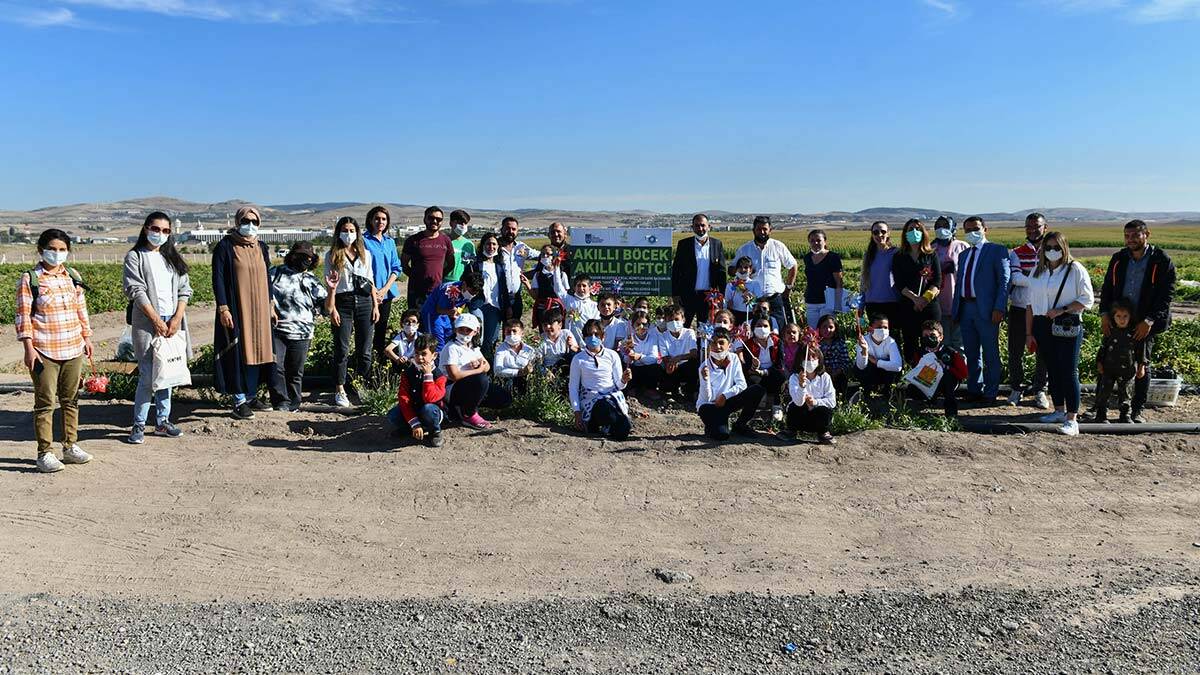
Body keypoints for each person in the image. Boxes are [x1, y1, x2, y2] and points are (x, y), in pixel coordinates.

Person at [15, 228, 94, 473]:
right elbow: (23, 316)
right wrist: (29, 348)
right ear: (41, 250)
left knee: (71, 400)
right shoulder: (30, 279)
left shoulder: (72, 276)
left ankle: (70, 446)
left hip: (73, 347)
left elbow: (81, 309)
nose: (57, 254)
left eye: (62, 250)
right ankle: (44, 453)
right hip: (44, 350)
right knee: (45, 402)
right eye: (52, 249)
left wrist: (87, 337)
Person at [122, 212, 193, 442]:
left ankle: (163, 421)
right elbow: (136, 290)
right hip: (147, 321)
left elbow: (185, 290)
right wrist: (155, 319)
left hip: (171, 319)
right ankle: (139, 424)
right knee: (147, 374)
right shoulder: (135, 257)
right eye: (155, 229)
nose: (159, 234)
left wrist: (175, 318)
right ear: (145, 229)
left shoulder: (172, 258)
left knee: (168, 373)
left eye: (165, 231)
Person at [1097, 219, 1176, 423]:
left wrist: (1149, 320)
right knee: (1107, 361)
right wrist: (1105, 313)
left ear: (1146, 234)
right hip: (1119, 318)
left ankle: (1136, 410)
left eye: (1135, 235)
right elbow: (1107, 288)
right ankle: (1100, 408)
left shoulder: (1161, 260)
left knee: (1141, 365)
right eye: (1127, 236)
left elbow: (1166, 295)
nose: (1130, 239)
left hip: (1144, 321)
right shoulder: (1119, 259)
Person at [1023, 231, 1094, 436]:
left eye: (1056, 247)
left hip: (1066, 324)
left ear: (1064, 248)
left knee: (1068, 370)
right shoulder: (1037, 272)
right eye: (1048, 247)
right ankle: (1059, 410)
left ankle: (1072, 419)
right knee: (1052, 368)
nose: (1052, 251)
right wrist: (1029, 333)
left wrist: (1062, 310)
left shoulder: (1075, 269)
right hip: (1041, 324)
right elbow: (1029, 304)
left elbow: (1087, 299)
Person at [212, 205, 274, 419]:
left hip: (260, 310)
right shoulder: (226, 247)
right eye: (246, 221)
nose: (250, 225)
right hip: (238, 308)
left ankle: (251, 395)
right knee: (239, 352)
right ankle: (238, 400)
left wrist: (271, 305)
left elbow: (267, 278)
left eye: (254, 221)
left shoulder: (262, 247)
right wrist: (223, 307)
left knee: (258, 351)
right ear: (237, 223)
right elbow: (218, 279)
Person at [267, 241, 334, 412]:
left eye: (308, 257)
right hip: (277, 329)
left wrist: (331, 290)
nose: (304, 260)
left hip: (303, 332)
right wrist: (270, 306)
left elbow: (327, 309)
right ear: (292, 256)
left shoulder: (312, 281)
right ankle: (280, 402)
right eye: (300, 256)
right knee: (276, 367)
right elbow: (264, 292)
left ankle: (294, 403)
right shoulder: (275, 273)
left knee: (295, 371)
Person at [951, 216, 1010, 404]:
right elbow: (960, 283)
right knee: (972, 352)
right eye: (967, 230)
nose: (972, 233)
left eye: (976, 228)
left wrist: (999, 307)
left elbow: (1005, 281)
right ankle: (974, 388)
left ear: (985, 229)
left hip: (987, 309)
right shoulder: (964, 255)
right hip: (966, 307)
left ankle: (991, 392)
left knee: (991, 353)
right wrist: (956, 310)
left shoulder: (996, 250)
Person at [326, 216, 379, 408]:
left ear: (357, 232)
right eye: (344, 230)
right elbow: (330, 285)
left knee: (365, 349)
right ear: (338, 232)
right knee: (342, 349)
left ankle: (360, 385)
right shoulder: (332, 255)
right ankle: (340, 389)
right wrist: (332, 309)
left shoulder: (365, 253)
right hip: (343, 302)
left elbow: (371, 280)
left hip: (365, 301)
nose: (348, 234)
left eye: (351, 230)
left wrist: (375, 305)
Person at [1005, 212, 1050, 409]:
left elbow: (1056, 277)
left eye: (1037, 227)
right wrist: (1041, 279)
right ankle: (1016, 388)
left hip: (1043, 309)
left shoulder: (1053, 250)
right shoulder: (1016, 252)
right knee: (1015, 350)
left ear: (1045, 228)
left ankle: (1040, 389)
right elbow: (1015, 279)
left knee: (1043, 351)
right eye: (1029, 227)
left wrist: (1027, 276)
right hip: (1019, 308)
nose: (1032, 230)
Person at [441, 313, 512, 429]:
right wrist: (478, 370)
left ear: (475, 331)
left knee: (504, 398)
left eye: (468, 330)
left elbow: (487, 366)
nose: (464, 333)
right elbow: (454, 375)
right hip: (452, 388)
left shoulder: (473, 347)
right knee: (481, 379)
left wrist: (479, 365)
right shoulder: (451, 348)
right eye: (461, 329)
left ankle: (465, 406)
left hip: (470, 386)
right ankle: (468, 413)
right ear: (455, 329)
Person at [569, 319, 634, 440]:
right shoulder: (578, 359)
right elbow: (573, 387)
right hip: (591, 400)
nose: (592, 337)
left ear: (603, 336)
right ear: (584, 337)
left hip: (612, 396)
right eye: (589, 335)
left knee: (623, 428)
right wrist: (577, 413)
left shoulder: (612, 355)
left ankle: (608, 426)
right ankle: (599, 424)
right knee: (605, 409)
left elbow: (619, 385)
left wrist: (624, 380)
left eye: (596, 334)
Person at [696, 327, 764, 440]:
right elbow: (707, 397)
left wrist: (725, 396)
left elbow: (742, 384)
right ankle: (713, 425)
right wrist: (706, 379)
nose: (717, 347)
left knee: (757, 390)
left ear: (729, 346)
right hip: (709, 405)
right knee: (722, 435)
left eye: (721, 343)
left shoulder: (734, 358)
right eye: (713, 343)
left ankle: (741, 424)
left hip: (726, 401)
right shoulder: (704, 367)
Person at [891, 219, 942, 364]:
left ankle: (933, 373)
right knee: (910, 343)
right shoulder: (899, 256)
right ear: (905, 234)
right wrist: (915, 299)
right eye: (910, 229)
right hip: (908, 306)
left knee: (931, 341)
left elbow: (937, 281)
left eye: (917, 229)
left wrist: (924, 299)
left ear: (923, 232)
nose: (914, 232)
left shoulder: (931, 254)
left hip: (929, 306)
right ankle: (913, 374)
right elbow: (899, 283)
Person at [735, 216, 797, 332]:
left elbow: (793, 265)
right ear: (753, 230)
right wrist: (742, 288)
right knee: (754, 332)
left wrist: (788, 288)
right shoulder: (744, 249)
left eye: (765, 229)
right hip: (753, 301)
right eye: (759, 229)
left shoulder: (778, 246)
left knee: (778, 331)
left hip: (775, 299)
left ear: (770, 230)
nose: (762, 232)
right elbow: (733, 269)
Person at [1093, 298, 1148, 423]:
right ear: (1113, 317)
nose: (1122, 319)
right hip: (1109, 368)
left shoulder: (1135, 333)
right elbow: (1103, 348)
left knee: (1126, 393)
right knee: (1104, 392)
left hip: (1127, 370)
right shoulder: (1110, 331)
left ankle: (1125, 415)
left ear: (1130, 316)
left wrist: (1141, 366)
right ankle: (1101, 415)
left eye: (1125, 316)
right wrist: (1099, 363)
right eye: (1118, 316)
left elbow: (1141, 351)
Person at [387, 334, 447, 448]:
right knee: (393, 415)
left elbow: (429, 398)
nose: (419, 358)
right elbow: (403, 398)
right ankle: (411, 428)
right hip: (414, 409)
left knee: (428, 409)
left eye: (424, 354)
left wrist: (428, 375)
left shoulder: (439, 376)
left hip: (432, 412)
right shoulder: (408, 373)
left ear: (434, 355)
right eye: (416, 353)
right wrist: (414, 422)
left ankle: (435, 431)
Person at [362, 206, 403, 366]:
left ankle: (378, 367)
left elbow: (396, 267)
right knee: (366, 332)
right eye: (377, 218)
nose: (380, 222)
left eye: (384, 219)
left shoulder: (389, 242)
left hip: (385, 294)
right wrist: (374, 291)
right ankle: (364, 366)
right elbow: (362, 269)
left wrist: (384, 289)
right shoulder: (363, 240)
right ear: (370, 221)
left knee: (380, 331)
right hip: (367, 293)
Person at [671, 213, 727, 327]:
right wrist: (675, 295)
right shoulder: (684, 244)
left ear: (708, 226)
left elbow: (721, 272)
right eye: (697, 226)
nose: (700, 228)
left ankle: (701, 345)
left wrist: (722, 295)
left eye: (703, 225)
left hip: (708, 297)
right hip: (688, 295)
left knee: (704, 329)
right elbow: (676, 271)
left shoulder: (717, 244)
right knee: (683, 327)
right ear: (692, 227)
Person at [904, 320, 968, 417]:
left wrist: (946, 367)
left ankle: (951, 413)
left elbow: (964, 374)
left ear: (941, 337)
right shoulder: (920, 353)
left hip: (948, 382)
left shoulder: (950, 353)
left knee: (947, 378)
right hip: (928, 380)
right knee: (912, 389)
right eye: (925, 336)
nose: (929, 338)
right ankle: (925, 404)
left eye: (932, 336)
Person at [401, 205, 454, 311]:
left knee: (434, 323)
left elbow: (451, 263)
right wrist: (416, 276)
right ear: (425, 219)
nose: (434, 221)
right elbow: (404, 264)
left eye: (438, 219)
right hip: (416, 292)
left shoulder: (446, 240)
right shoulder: (413, 240)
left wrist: (439, 276)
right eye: (431, 218)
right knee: (417, 322)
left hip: (437, 290)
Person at [783, 342, 836, 445]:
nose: (810, 360)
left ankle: (823, 433)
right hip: (800, 416)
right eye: (806, 358)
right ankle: (791, 431)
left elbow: (832, 401)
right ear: (800, 360)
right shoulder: (794, 377)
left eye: (813, 357)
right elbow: (798, 402)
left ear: (819, 359)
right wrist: (802, 386)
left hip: (817, 417)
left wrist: (815, 402)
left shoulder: (825, 377)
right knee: (794, 407)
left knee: (824, 411)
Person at [470, 232, 512, 361]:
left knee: (491, 340)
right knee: (478, 338)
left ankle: (489, 369)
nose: (491, 247)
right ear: (483, 245)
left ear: (498, 247)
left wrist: (508, 306)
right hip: (479, 305)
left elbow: (504, 288)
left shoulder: (499, 267)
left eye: (494, 244)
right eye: (488, 243)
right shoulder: (475, 265)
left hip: (494, 307)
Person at [419, 269, 484, 352]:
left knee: (449, 338)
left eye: (475, 293)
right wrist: (451, 312)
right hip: (433, 314)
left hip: (445, 315)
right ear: (464, 284)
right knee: (437, 342)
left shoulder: (467, 293)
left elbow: (462, 304)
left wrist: (457, 313)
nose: (472, 295)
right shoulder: (450, 290)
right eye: (471, 292)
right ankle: (437, 362)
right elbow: (438, 309)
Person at [931, 216, 968, 349]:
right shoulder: (930, 248)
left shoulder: (963, 246)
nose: (942, 229)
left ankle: (962, 369)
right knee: (942, 344)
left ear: (952, 228)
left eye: (945, 226)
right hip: (938, 304)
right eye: (938, 226)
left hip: (959, 302)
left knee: (960, 344)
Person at [853, 313, 903, 410]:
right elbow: (861, 367)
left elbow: (897, 366)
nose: (883, 330)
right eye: (880, 327)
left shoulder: (891, 342)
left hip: (884, 373)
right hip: (869, 373)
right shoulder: (864, 341)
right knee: (864, 368)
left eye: (885, 327)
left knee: (892, 370)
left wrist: (876, 361)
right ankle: (866, 393)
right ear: (871, 329)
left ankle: (888, 394)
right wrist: (864, 351)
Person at [860, 221, 899, 335]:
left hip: (892, 302)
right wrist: (861, 304)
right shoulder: (868, 255)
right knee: (876, 338)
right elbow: (863, 281)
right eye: (876, 232)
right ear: (872, 235)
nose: (879, 235)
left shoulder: (896, 253)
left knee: (892, 338)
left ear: (888, 233)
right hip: (872, 303)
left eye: (883, 231)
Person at [800, 229, 844, 328]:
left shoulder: (833, 257)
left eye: (818, 240)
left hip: (828, 301)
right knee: (813, 332)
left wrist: (838, 302)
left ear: (825, 241)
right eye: (812, 240)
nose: (815, 243)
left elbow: (839, 281)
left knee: (827, 331)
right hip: (811, 300)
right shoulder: (807, 258)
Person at [657, 304, 699, 400]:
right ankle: (674, 390)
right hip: (672, 367)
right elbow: (665, 357)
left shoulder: (689, 333)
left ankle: (689, 391)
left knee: (694, 364)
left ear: (683, 320)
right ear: (666, 321)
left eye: (676, 319)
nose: (674, 322)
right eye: (670, 320)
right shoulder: (663, 336)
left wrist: (678, 358)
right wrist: (670, 364)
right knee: (666, 383)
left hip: (686, 366)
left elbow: (694, 353)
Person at [742, 313, 786, 406]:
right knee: (752, 379)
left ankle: (777, 405)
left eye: (765, 326)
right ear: (753, 328)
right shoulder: (747, 344)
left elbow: (779, 364)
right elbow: (747, 367)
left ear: (770, 329)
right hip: (755, 375)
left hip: (772, 373)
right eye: (759, 326)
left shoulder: (777, 342)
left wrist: (765, 372)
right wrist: (754, 366)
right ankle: (759, 399)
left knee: (780, 376)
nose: (762, 328)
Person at [619, 310, 663, 398]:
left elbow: (654, 358)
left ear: (649, 325)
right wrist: (629, 356)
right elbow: (625, 360)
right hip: (634, 369)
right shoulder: (628, 340)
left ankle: (650, 389)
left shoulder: (653, 338)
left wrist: (639, 357)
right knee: (624, 367)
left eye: (644, 324)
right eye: (638, 324)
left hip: (647, 370)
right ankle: (632, 389)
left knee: (655, 367)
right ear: (632, 325)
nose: (641, 327)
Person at [498, 216, 534, 320]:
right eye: (507, 228)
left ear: (517, 231)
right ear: (502, 230)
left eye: (514, 229)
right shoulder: (495, 247)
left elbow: (540, 255)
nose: (510, 231)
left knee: (514, 330)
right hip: (498, 297)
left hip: (516, 296)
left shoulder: (521, 247)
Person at [529, 244, 568, 329]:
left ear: (554, 256)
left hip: (557, 309)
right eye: (543, 254)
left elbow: (565, 294)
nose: (545, 256)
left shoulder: (562, 275)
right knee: (544, 331)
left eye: (548, 254)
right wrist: (527, 284)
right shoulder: (538, 275)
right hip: (542, 309)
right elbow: (535, 295)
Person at [494, 318, 537, 393]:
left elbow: (535, 365)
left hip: (526, 380)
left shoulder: (529, 350)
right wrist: (519, 372)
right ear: (504, 333)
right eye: (508, 332)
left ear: (522, 333)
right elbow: (497, 370)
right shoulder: (500, 349)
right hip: (508, 381)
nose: (511, 334)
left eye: (514, 331)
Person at [536, 308, 579, 377]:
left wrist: (572, 347)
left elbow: (577, 351)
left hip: (566, 366)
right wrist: (545, 372)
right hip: (550, 369)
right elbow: (538, 361)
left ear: (560, 325)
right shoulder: (541, 339)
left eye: (550, 323)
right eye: (545, 324)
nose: (548, 327)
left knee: (572, 355)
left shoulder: (566, 333)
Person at [816, 314, 851, 395]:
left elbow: (846, 361)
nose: (827, 330)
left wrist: (838, 371)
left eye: (831, 327)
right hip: (822, 373)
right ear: (819, 329)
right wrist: (824, 371)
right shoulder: (816, 344)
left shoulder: (840, 343)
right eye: (824, 327)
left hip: (838, 373)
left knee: (841, 380)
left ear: (836, 329)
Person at [560, 273, 599, 343]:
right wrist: (556, 269)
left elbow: (596, 326)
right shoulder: (568, 300)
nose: (581, 288)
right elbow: (558, 289)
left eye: (584, 286)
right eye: (578, 286)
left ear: (590, 288)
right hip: (571, 343)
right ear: (574, 288)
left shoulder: (595, 306)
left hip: (588, 343)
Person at [724, 256, 762, 325]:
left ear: (750, 270)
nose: (743, 270)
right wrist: (728, 305)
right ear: (736, 269)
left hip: (749, 315)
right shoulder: (730, 285)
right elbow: (726, 301)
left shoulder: (755, 284)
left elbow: (759, 300)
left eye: (746, 267)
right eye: (740, 267)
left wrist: (752, 300)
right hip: (734, 314)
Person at [445, 209, 475, 283]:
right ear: (451, 223)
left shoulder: (469, 245)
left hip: (462, 284)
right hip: (444, 282)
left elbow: (471, 265)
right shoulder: (443, 241)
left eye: (465, 223)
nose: (463, 225)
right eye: (460, 222)